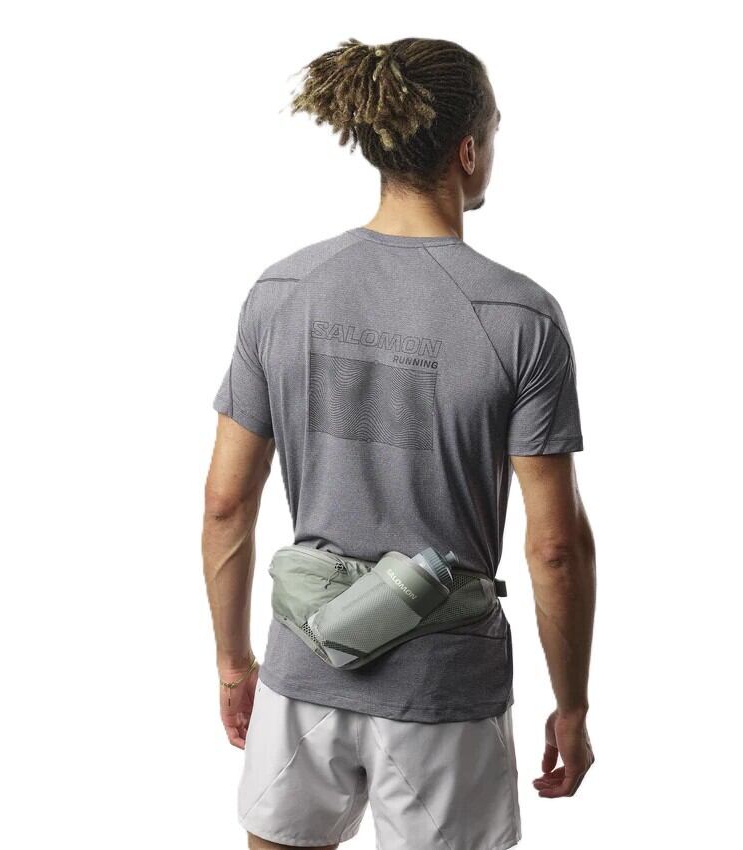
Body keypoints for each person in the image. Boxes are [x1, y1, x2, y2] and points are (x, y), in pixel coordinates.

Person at [203, 37, 596, 850]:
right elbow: (555, 547)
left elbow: (226, 504)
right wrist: (572, 704)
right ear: (467, 152)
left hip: (304, 671)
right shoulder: (520, 318)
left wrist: (236, 663)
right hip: (443, 693)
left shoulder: (282, 291)